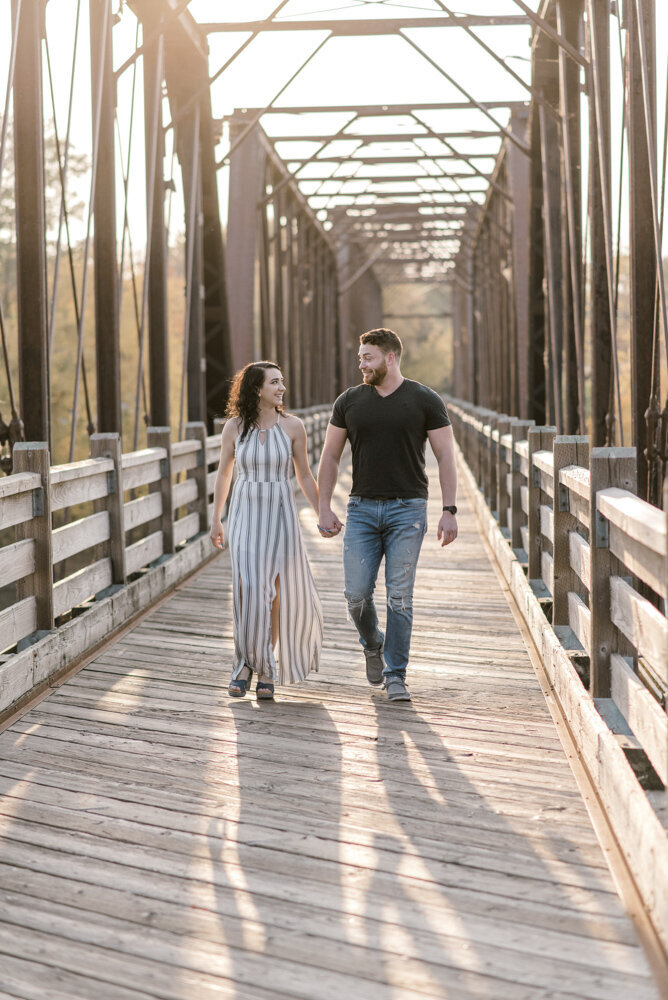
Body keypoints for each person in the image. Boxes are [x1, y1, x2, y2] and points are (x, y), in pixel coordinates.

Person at [317, 329, 457, 702]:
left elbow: (445, 455)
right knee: (356, 595)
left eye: (368, 357)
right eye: (360, 357)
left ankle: (396, 674)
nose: (361, 363)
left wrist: (449, 510)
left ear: (390, 357)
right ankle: (372, 641)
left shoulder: (425, 399)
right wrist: (322, 505)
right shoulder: (349, 401)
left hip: (407, 510)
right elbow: (330, 455)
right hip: (361, 508)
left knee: (400, 598)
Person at [210, 361, 323, 700]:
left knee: (273, 592)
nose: (281, 388)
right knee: (248, 589)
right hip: (244, 512)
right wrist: (217, 518)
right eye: (274, 382)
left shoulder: (293, 427)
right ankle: (246, 664)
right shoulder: (234, 427)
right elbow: (224, 474)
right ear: (256, 389)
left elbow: (303, 474)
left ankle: (262, 667)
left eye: (282, 382)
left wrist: (323, 513)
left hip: (280, 512)